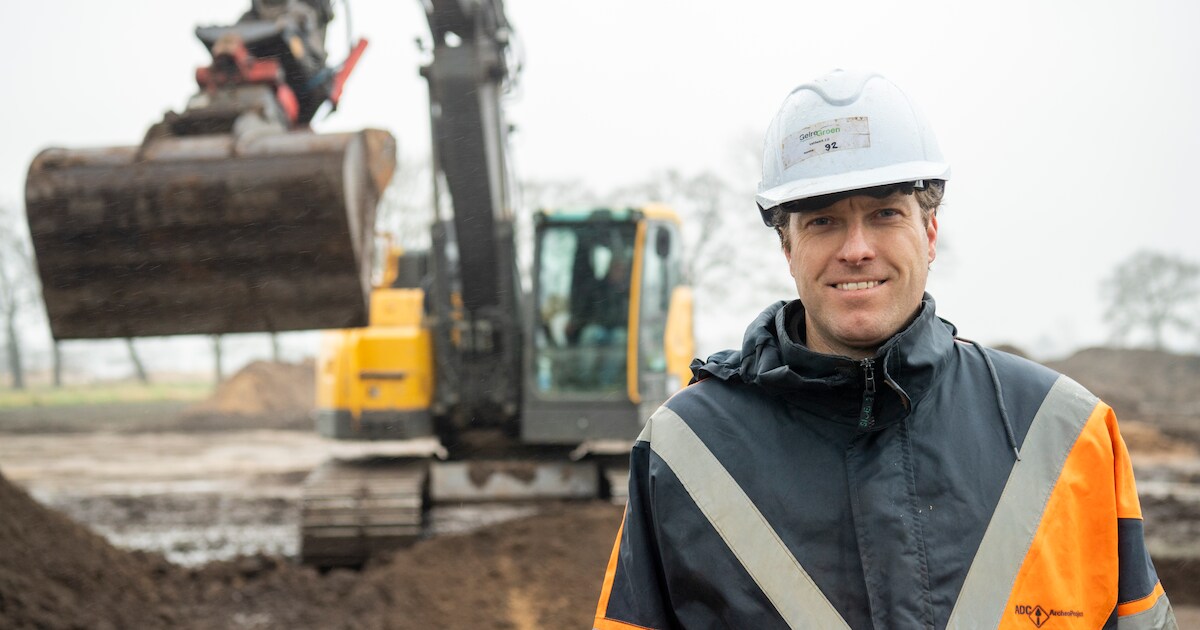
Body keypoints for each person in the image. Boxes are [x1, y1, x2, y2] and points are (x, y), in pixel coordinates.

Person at [593, 70, 1176, 629]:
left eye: (884, 214)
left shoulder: (1068, 432)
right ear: (787, 249)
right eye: (822, 221)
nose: (856, 248)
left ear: (929, 234)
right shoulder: (685, 449)